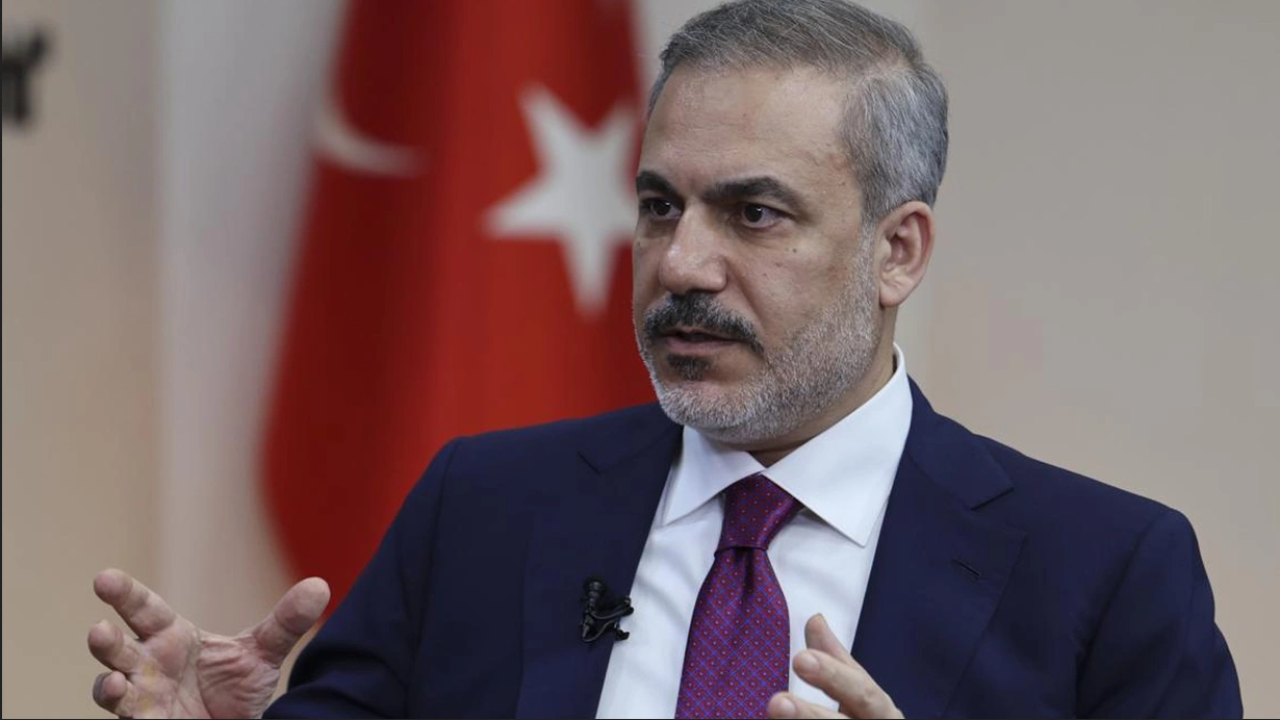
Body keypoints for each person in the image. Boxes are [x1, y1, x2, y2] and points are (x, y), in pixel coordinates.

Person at [87, 0, 1243, 717]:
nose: (679, 263)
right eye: (656, 206)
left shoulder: (1104, 575)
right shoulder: (483, 506)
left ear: (896, 251)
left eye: (751, 214)